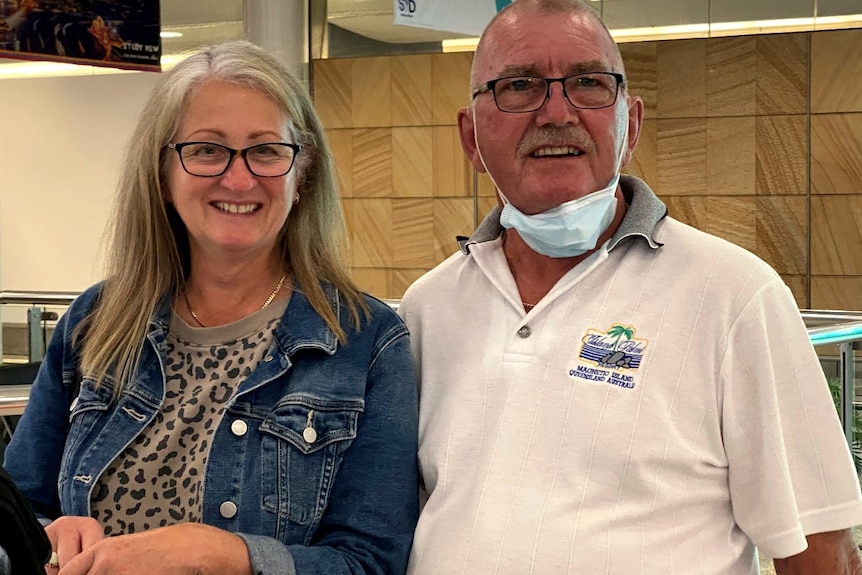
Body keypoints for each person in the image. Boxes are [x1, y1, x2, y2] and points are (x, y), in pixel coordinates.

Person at [398, 1, 862, 573]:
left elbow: (821, 553)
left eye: (588, 83)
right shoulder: (426, 310)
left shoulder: (736, 296)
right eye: (519, 86)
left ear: (631, 124)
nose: (557, 112)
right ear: (471, 138)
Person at [4, 40, 418, 575]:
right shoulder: (95, 323)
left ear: (303, 173)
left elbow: (372, 563)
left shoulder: (366, 342)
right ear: (162, 175)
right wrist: (44, 538)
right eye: (207, 149)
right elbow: (17, 514)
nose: (239, 178)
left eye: (266, 150)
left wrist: (225, 556)